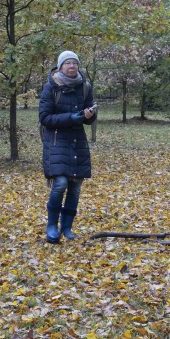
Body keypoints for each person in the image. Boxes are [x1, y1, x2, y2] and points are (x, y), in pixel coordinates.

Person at [38, 50, 96, 243]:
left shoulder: (85, 86)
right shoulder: (51, 87)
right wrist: (71, 118)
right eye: (68, 63)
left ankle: (67, 227)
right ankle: (52, 226)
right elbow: (45, 118)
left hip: (77, 141)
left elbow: (89, 117)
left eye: (75, 63)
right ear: (60, 66)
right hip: (56, 141)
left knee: (75, 186)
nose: (72, 66)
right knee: (61, 183)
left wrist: (89, 115)